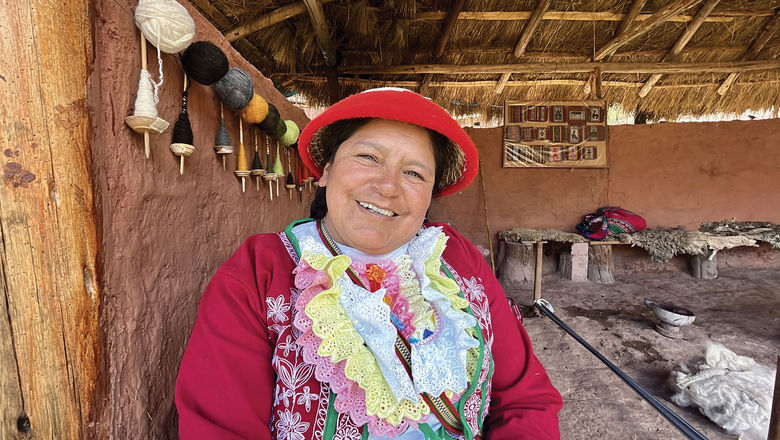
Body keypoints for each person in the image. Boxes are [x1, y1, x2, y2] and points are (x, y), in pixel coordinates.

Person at [176, 88, 562, 439]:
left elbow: (527, 400)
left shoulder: (456, 260)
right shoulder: (260, 273)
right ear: (326, 170)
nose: (388, 186)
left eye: (414, 173)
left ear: (430, 194)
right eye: (368, 157)